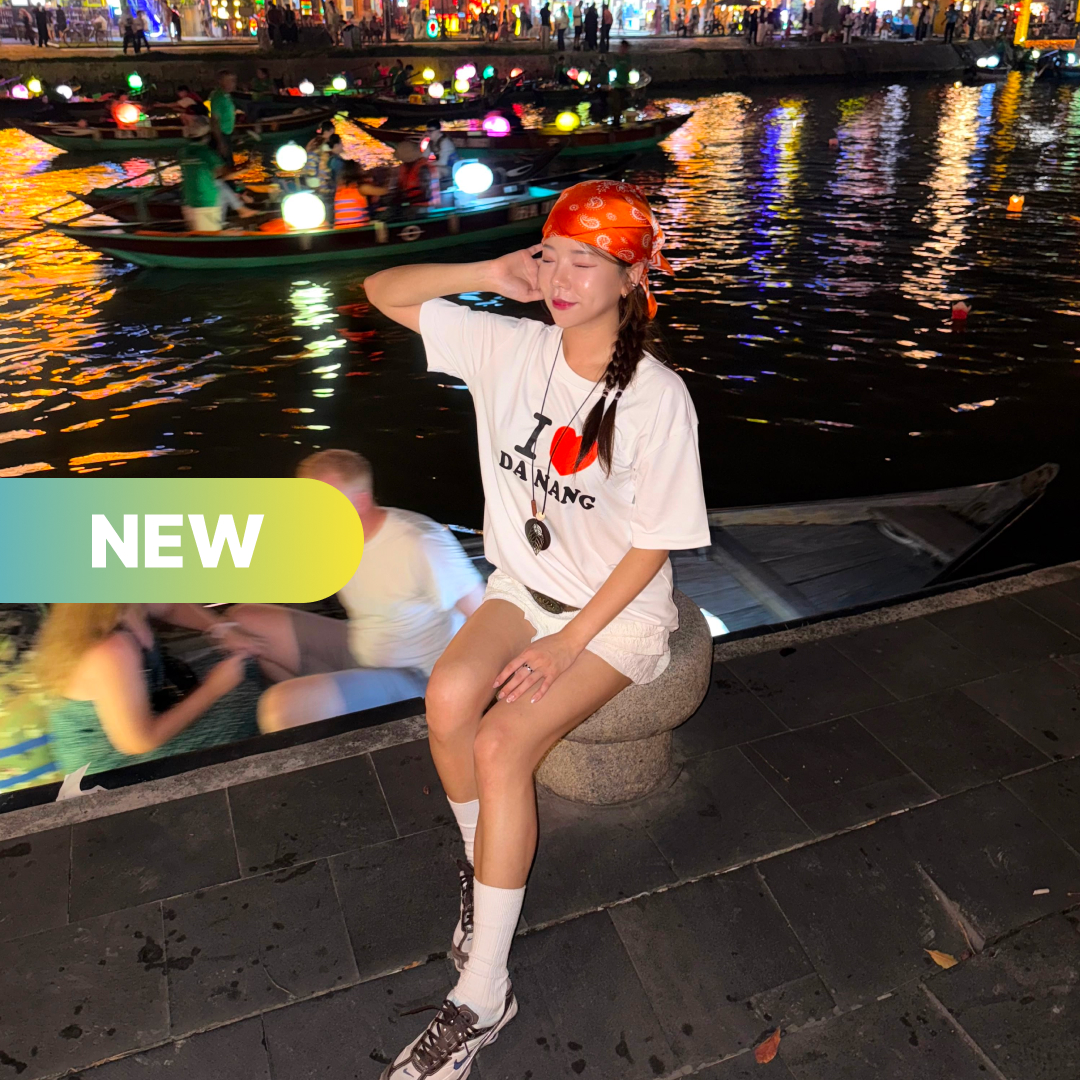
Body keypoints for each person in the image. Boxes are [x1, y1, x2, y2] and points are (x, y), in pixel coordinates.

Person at [363, 180, 709, 1080]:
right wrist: (491, 271)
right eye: (552, 255)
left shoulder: (655, 397)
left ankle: (484, 992)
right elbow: (381, 291)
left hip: (613, 617)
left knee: (501, 744)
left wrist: (565, 645)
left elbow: (655, 544)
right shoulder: (510, 346)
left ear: (631, 277)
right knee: (447, 698)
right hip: (525, 586)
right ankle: (483, 872)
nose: (560, 278)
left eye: (585, 262)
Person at [230, 450, 483, 729]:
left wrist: (468, 697)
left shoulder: (420, 542)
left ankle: (319, 716)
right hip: (362, 646)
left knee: (280, 706)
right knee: (245, 620)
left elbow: (485, 616)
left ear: (360, 502)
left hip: (415, 675)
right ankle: (323, 718)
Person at [35, 603, 263, 778]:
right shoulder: (109, 649)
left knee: (248, 640)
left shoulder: (116, 603)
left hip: (151, 708)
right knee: (256, 703)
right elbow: (138, 742)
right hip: (113, 773)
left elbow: (170, 607)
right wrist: (212, 689)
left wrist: (221, 629)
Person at [179, 117, 227, 231]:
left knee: (197, 235)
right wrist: (244, 170)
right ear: (207, 136)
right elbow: (223, 174)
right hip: (206, 202)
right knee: (210, 238)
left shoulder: (182, 152)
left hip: (189, 200)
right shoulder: (208, 154)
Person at [387, 140, 433, 212]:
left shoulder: (423, 169)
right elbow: (399, 187)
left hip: (422, 206)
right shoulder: (404, 167)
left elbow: (427, 194)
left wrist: (406, 201)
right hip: (408, 204)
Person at [210, 69, 239, 171]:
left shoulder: (227, 96)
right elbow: (214, 120)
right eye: (229, 81)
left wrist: (234, 131)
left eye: (233, 80)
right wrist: (220, 142)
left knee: (229, 164)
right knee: (226, 166)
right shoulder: (218, 97)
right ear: (221, 82)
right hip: (221, 135)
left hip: (227, 134)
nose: (233, 84)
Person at [425, 119, 459, 189]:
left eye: (430, 131)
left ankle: (435, 191)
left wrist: (428, 164)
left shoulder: (445, 142)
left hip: (451, 169)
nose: (427, 134)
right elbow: (423, 157)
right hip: (441, 167)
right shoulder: (431, 143)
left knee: (436, 170)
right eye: (427, 131)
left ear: (438, 131)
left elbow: (443, 162)